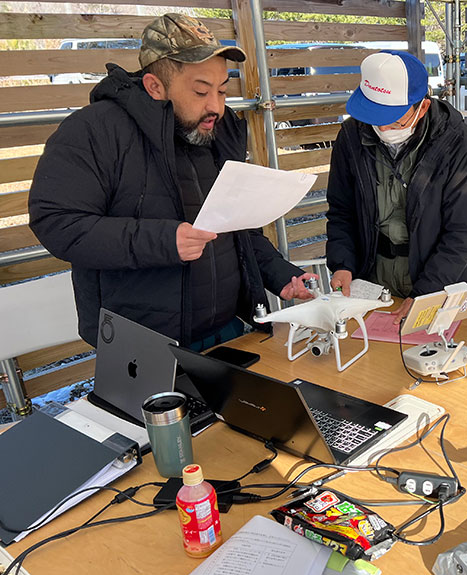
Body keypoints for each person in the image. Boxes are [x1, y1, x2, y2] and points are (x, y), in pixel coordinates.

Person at [29, 13, 313, 350]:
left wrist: (280, 275)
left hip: (230, 331)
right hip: (143, 347)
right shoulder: (96, 130)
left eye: (222, 91)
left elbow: (237, 229)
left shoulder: (218, 133)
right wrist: (164, 241)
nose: (216, 107)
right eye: (200, 91)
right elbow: (57, 223)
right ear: (155, 87)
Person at [325, 50, 467, 319]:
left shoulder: (459, 145)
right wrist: (342, 263)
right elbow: (342, 210)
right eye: (375, 120)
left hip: (438, 281)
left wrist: (426, 293)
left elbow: (463, 233)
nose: (384, 130)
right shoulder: (351, 136)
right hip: (373, 280)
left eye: (395, 120)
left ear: (422, 107)